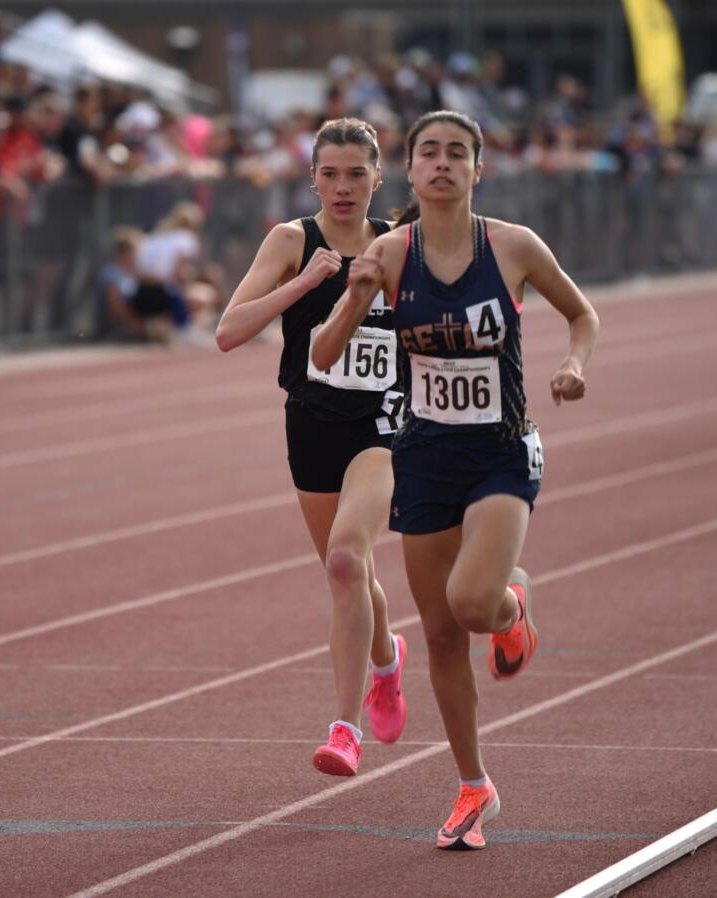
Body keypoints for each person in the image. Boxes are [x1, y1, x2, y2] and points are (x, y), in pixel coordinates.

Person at [312, 109, 599, 850]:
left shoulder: (512, 247)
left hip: (501, 449)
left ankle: (510, 606)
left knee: (471, 604)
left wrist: (573, 365)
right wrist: (356, 292)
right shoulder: (390, 251)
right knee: (439, 634)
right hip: (425, 453)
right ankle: (474, 786)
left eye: (457, 154)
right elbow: (322, 354)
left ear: (478, 170)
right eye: (429, 153)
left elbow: (582, 314)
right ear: (410, 171)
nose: (442, 164)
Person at [215, 117, 410, 779]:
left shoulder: (399, 245)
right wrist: (304, 282)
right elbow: (227, 331)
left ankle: (344, 728)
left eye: (357, 173)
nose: (344, 186)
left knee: (346, 560)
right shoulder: (292, 240)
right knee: (351, 573)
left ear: (379, 178)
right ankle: (386, 662)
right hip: (311, 425)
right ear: (312, 179)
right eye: (330, 173)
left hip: (385, 426)